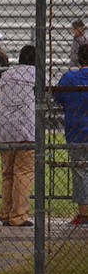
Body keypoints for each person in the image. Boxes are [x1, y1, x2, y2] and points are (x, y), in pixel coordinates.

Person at [0, 45, 36, 227]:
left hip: (5, 129)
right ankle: (18, 215)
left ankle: (5, 212)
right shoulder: (36, 74)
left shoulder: (7, 74)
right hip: (26, 129)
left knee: (8, 174)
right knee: (24, 172)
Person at [54, 43, 88, 226]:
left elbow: (59, 99)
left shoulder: (69, 77)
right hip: (78, 130)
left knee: (80, 171)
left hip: (76, 131)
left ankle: (84, 213)